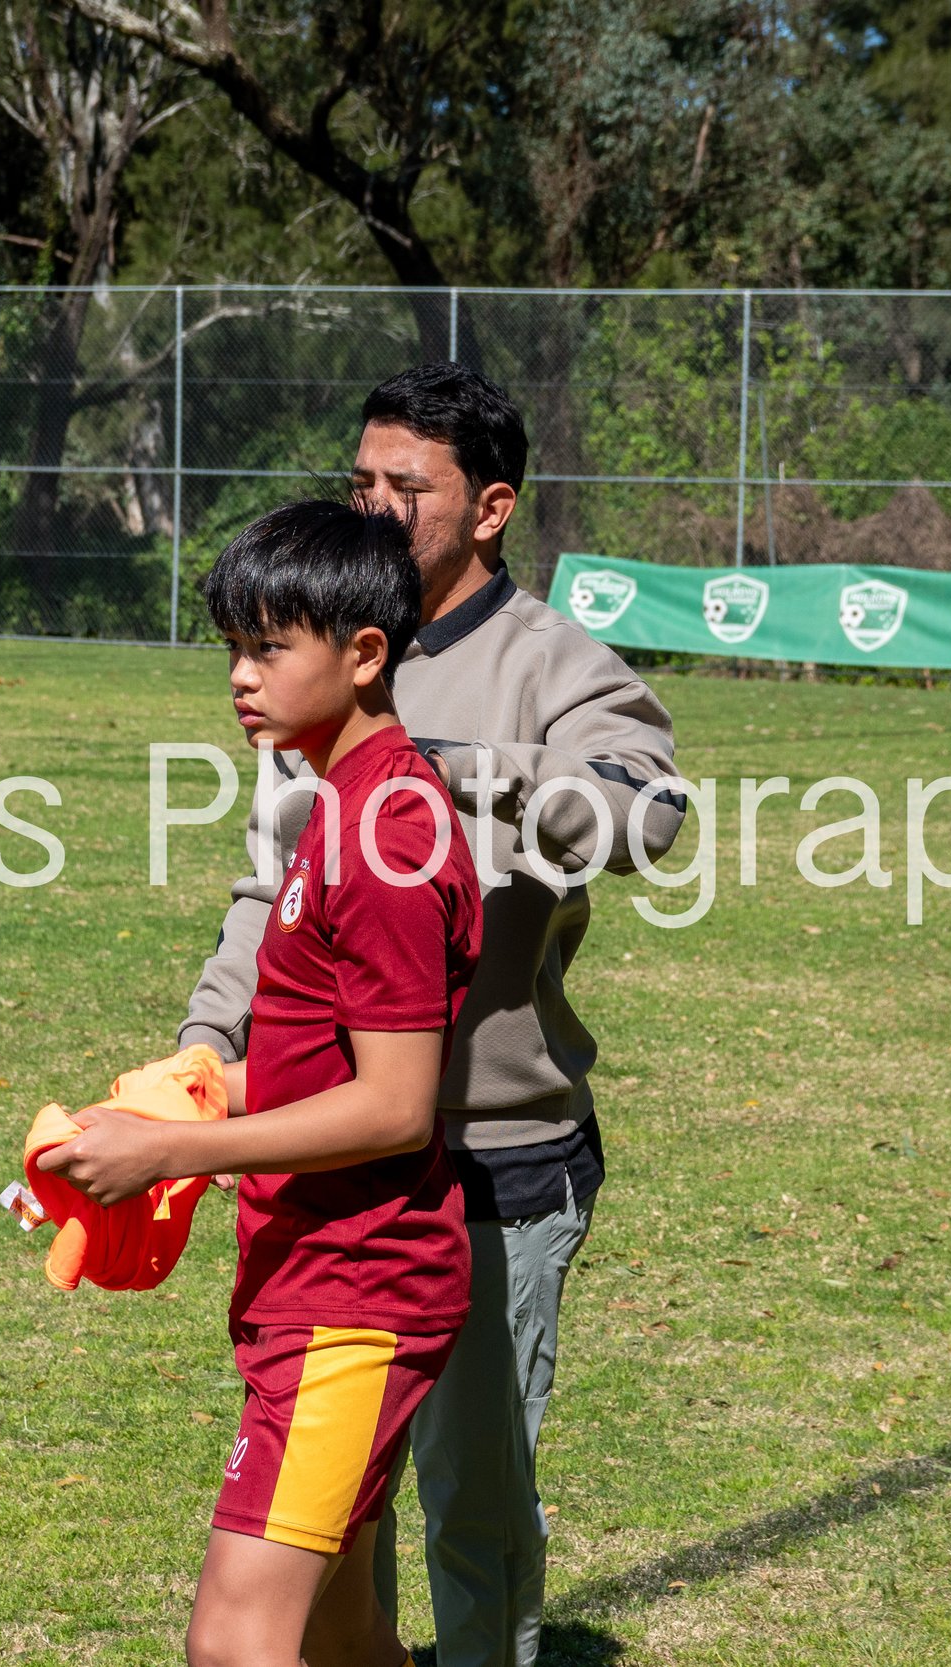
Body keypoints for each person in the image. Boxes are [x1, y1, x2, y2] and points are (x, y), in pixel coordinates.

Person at [177, 365, 683, 1667]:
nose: (376, 506)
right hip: (343, 1165)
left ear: (491, 507)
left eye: (408, 487)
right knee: (342, 1520)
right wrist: (208, 1044)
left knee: (474, 1501)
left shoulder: (547, 662)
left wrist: (458, 773)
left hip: (493, 1152)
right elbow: (270, 885)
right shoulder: (313, 649)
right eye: (362, 480)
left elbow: (647, 816)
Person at [37, 500, 483, 1667]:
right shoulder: (342, 803)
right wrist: (173, 1100)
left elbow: (394, 1104)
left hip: (356, 1295)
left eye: (269, 647)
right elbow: (316, 1060)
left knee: (235, 1640)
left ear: (365, 653)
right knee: (340, 1631)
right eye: (233, 646)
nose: (240, 676)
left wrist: (166, 1153)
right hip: (318, 1278)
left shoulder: (385, 836)